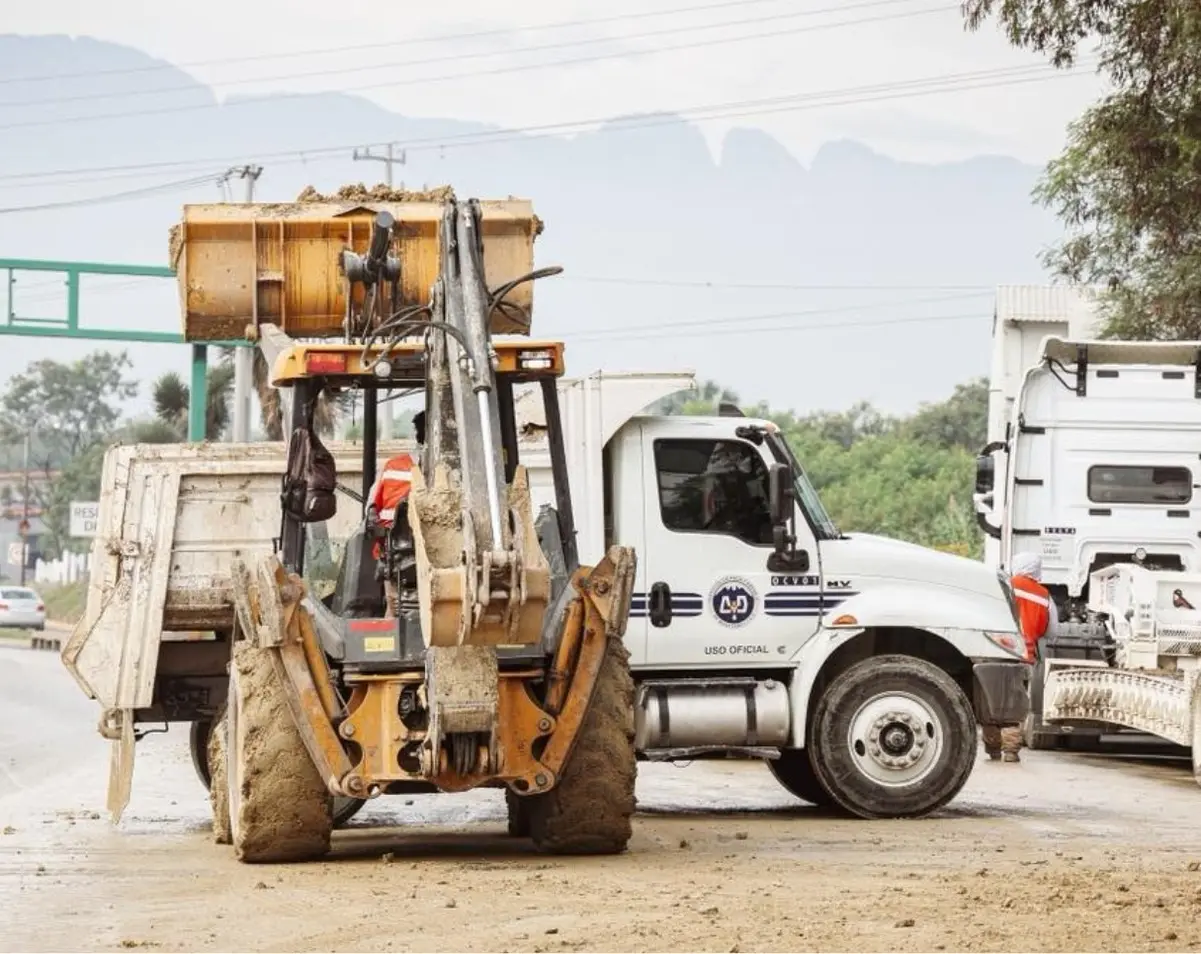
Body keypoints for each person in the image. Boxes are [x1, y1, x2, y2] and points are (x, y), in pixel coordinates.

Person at [983, 551, 1055, 762]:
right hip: (1024, 655)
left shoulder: (1003, 586)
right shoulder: (1044, 596)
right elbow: (1052, 631)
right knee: (1014, 702)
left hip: (995, 651)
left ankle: (992, 748)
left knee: (990, 700)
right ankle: (1011, 751)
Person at [366, 411, 425, 616]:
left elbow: (372, 508)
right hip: (431, 558)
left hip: (395, 556)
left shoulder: (393, 467)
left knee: (392, 611)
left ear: (418, 434)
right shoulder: (455, 470)